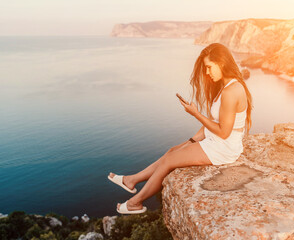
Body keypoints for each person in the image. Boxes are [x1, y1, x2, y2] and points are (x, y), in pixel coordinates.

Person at [108, 43, 253, 214]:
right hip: (215, 140)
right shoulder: (227, 87)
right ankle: (131, 180)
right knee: (171, 151)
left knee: (169, 161)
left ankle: (135, 202)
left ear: (221, 63)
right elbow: (215, 123)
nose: (207, 73)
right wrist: (190, 141)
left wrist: (196, 114)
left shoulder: (231, 91)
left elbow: (223, 131)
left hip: (223, 147)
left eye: (209, 67)